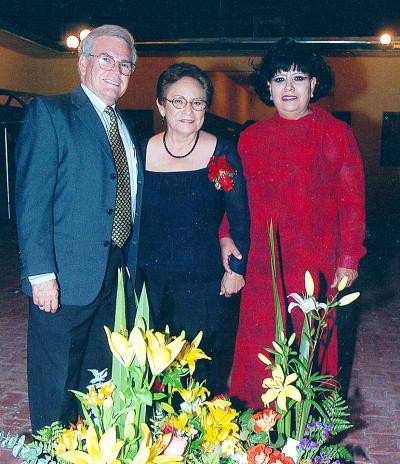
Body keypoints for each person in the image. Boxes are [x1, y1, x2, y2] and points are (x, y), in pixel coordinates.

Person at [15, 25, 143, 431]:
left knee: (98, 378)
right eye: (105, 59)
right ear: (83, 62)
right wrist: (41, 274)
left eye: (125, 64)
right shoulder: (50, 114)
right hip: (64, 277)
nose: (116, 70)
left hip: (114, 274)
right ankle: (50, 452)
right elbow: (32, 201)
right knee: (55, 382)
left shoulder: (126, 126)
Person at [225, 38, 366, 409]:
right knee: (260, 351)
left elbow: (352, 204)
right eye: (279, 78)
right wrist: (227, 239)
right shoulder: (251, 139)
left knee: (312, 352)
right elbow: (235, 203)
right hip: (263, 268)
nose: (289, 87)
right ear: (267, 88)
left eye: (298, 77)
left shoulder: (337, 134)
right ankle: (258, 438)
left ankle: (307, 439)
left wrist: (348, 260)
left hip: (315, 267)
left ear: (314, 85)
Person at [137, 62, 250, 393]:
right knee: (151, 369)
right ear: (161, 105)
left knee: (200, 371)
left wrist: (237, 269)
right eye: (178, 101)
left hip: (203, 282)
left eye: (198, 102)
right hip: (149, 282)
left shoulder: (222, 152)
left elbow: (240, 217)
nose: (189, 110)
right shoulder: (140, 151)